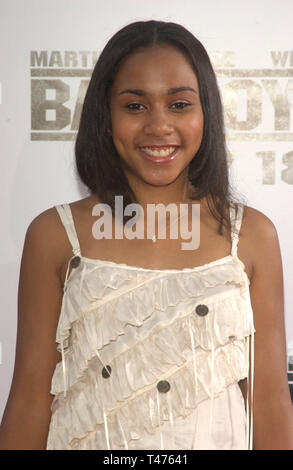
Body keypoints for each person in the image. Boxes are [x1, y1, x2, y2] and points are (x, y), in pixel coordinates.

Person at [0, 20, 292, 450]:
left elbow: (268, 404)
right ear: (105, 117)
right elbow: (28, 402)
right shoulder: (55, 236)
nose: (159, 126)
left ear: (205, 113)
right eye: (135, 106)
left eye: (178, 104)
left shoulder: (250, 236)